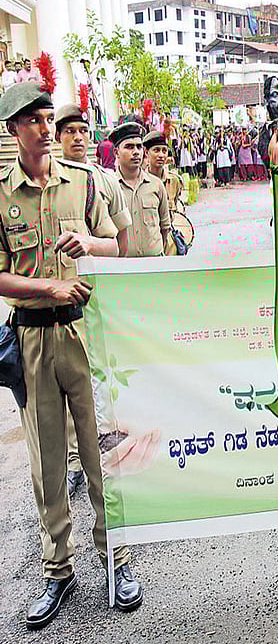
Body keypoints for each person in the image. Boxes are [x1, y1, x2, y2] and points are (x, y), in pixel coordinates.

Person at [0, 82, 142, 629]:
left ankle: (117, 558)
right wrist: (46, 290)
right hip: (33, 339)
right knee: (48, 464)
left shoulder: (82, 185)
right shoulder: (2, 194)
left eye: (44, 115)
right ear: (15, 132)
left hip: (86, 336)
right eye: (30, 119)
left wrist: (90, 245)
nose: (42, 126)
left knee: (103, 452)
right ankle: (57, 569)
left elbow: (117, 244)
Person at [53, 103, 133, 494]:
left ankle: (106, 441)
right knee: (66, 382)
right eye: (69, 131)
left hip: (98, 295)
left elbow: (119, 239)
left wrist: (124, 280)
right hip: (58, 303)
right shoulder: (48, 184)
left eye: (83, 130)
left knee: (102, 372)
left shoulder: (102, 181)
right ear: (59, 139)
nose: (78, 137)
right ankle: (73, 459)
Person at [111, 122, 171, 257]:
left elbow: (164, 227)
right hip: (123, 266)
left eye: (139, 147)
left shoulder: (156, 185)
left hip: (154, 263)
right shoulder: (110, 186)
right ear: (116, 152)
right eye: (129, 147)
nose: (136, 152)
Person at [144, 130, 185, 217]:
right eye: (156, 150)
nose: (161, 155)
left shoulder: (174, 181)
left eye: (164, 151)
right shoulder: (140, 182)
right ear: (146, 152)